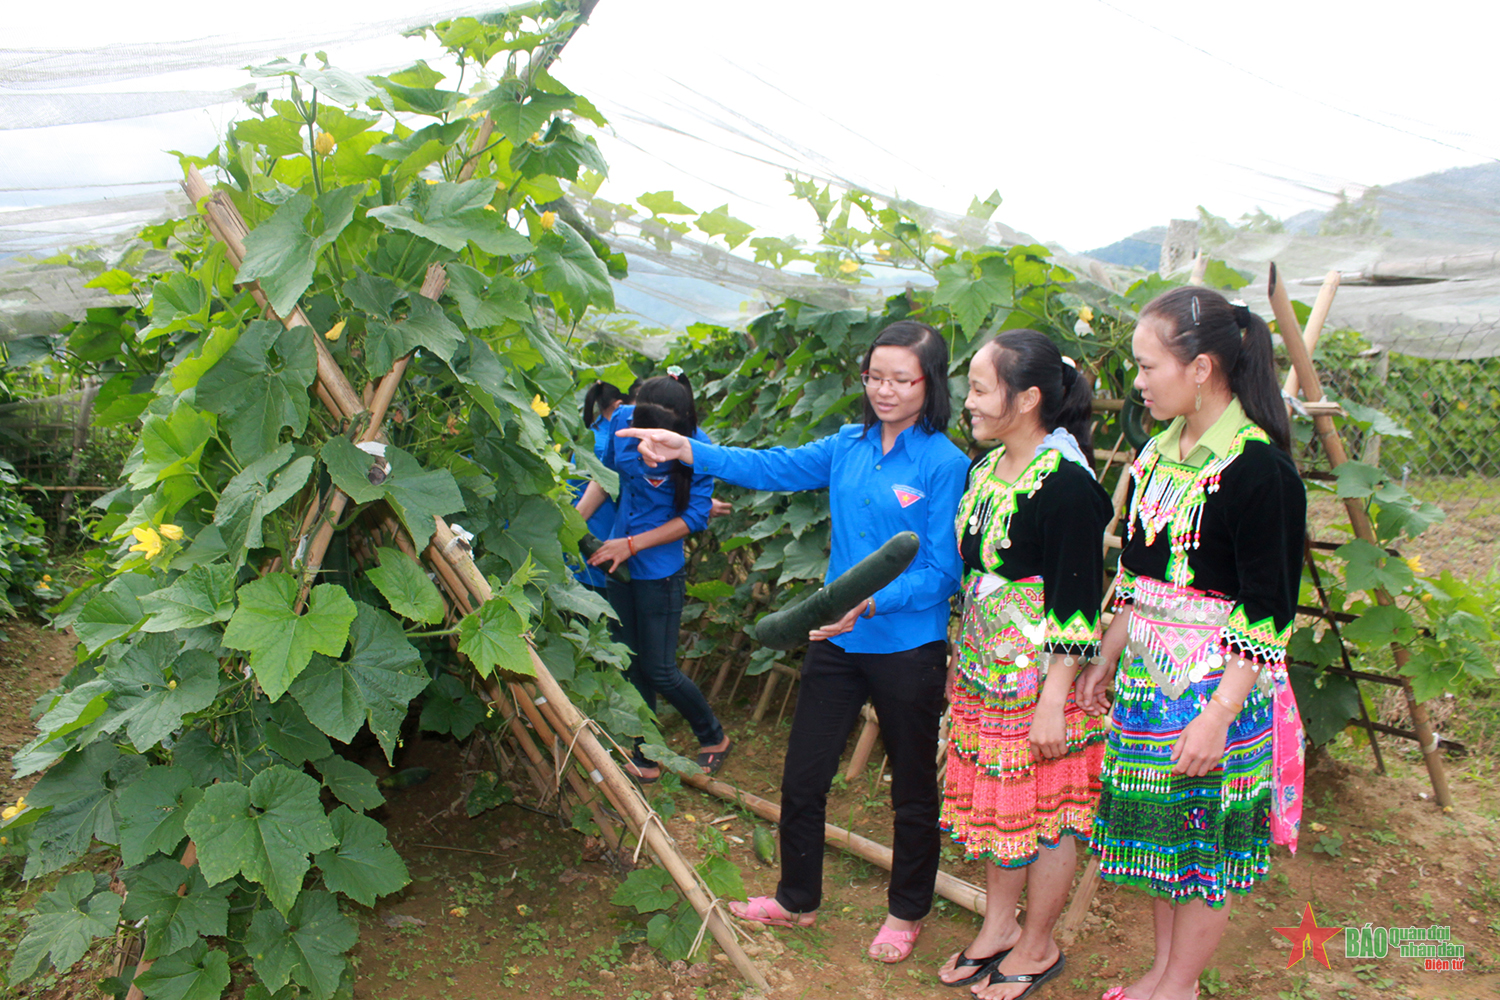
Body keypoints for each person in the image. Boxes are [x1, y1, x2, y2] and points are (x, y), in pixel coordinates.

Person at [619, 320, 970, 963]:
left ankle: (906, 910)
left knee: (913, 788)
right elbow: (770, 467)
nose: (883, 390)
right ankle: (797, 898)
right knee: (803, 776)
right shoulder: (847, 444)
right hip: (835, 640)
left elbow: (942, 570)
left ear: (930, 383)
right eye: (874, 376)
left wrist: (869, 602)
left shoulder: (945, 463)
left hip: (905, 644)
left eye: (901, 379)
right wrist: (687, 447)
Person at [1076, 288, 1307, 1000]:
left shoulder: (1259, 471)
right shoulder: (1156, 454)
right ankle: (1164, 972)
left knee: (1204, 846)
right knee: (1163, 840)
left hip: (1218, 692)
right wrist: (1106, 656)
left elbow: (1268, 611)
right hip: (1149, 683)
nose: (1137, 383)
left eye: (1148, 367)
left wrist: (1218, 714)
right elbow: (1138, 575)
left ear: (1201, 368)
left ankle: (1178, 986)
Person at [937, 330, 1113, 998]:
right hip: (987, 675)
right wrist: (962, 658)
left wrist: (1051, 700)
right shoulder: (986, 472)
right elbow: (978, 578)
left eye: (981, 389)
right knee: (1000, 812)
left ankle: (1037, 945)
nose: (970, 403)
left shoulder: (1067, 486)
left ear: (1029, 396)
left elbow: (1076, 605)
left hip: (1042, 685)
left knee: (1047, 814)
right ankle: (997, 929)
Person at [575, 373, 733, 781]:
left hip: (659, 571)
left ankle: (713, 736)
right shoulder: (622, 423)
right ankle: (644, 757)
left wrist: (631, 545)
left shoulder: (701, 448)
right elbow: (606, 478)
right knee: (630, 664)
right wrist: (574, 522)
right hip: (617, 562)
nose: (649, 444)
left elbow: (694, 517)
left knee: (660, 670)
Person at [573, 379, 633, 596]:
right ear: (619, 407)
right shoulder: (609, 443)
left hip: (584, 539)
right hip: (596, 541)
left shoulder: (594, 432)